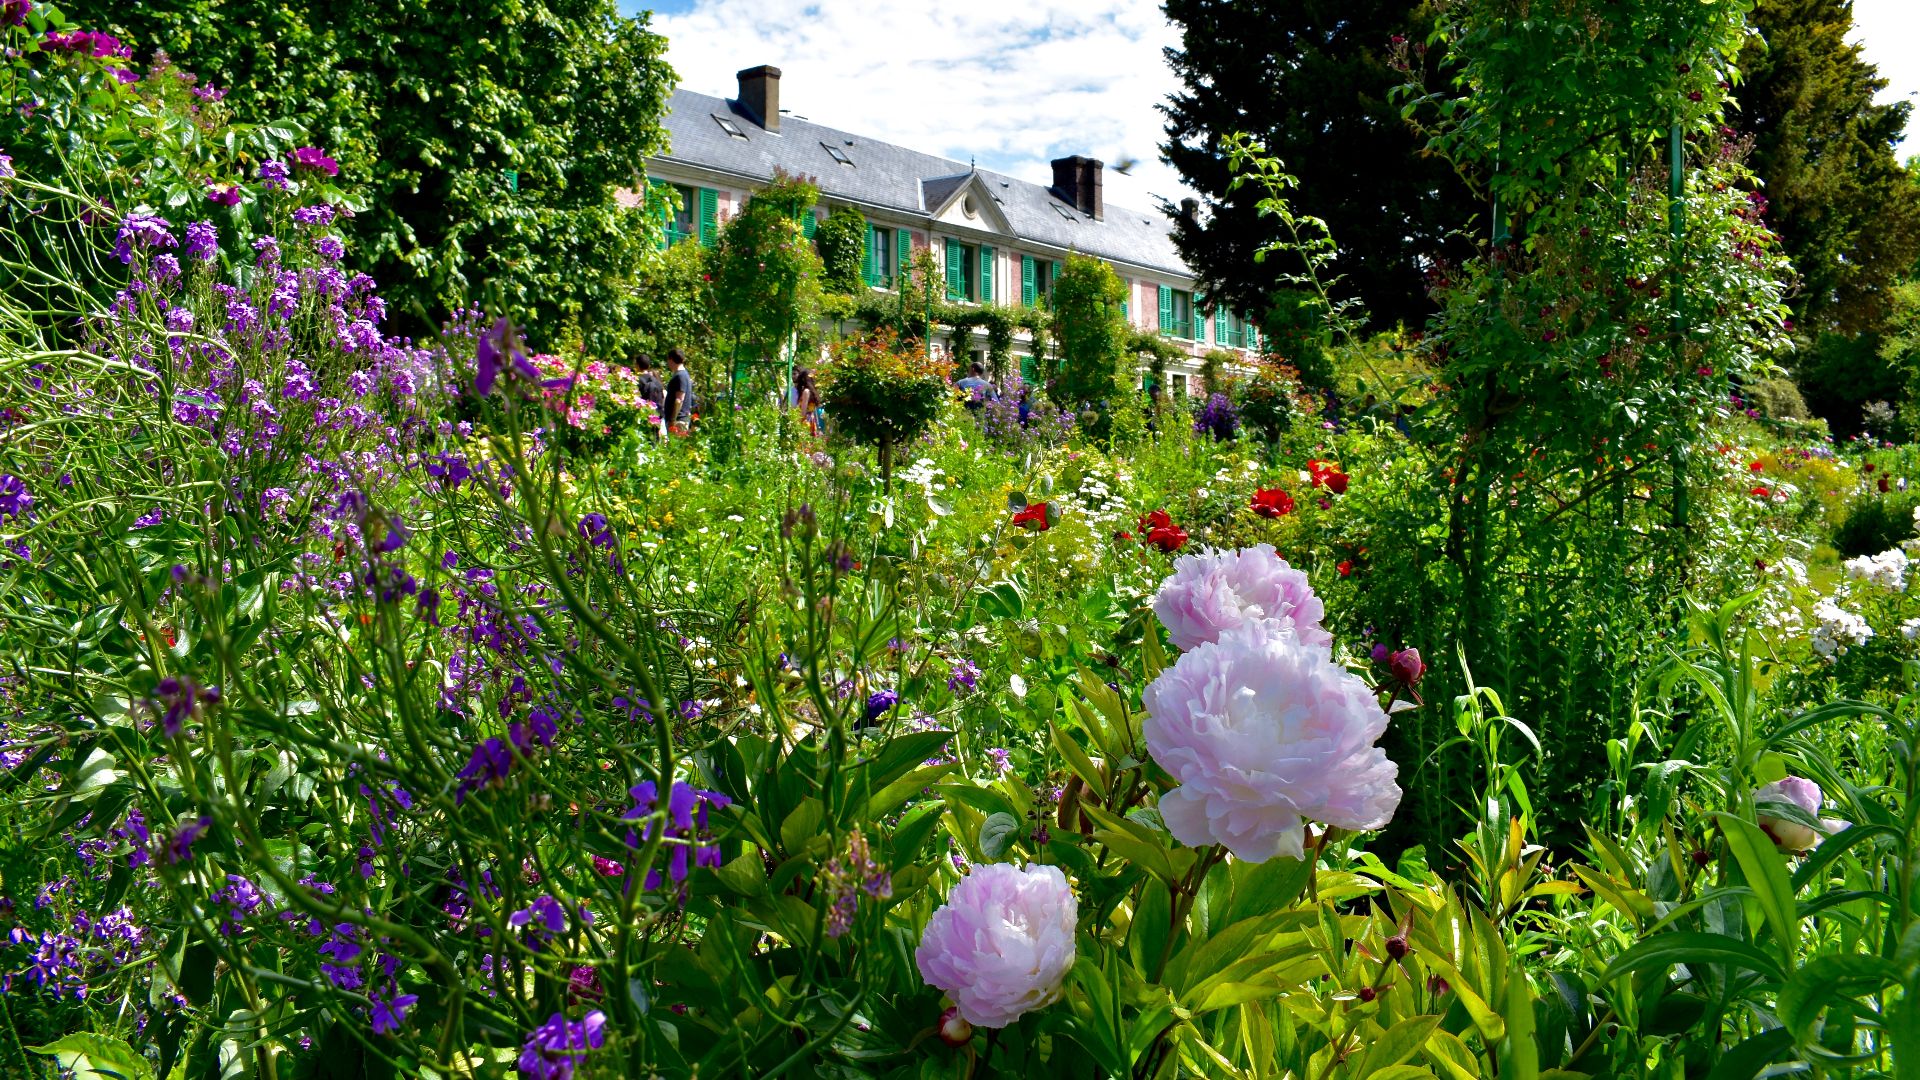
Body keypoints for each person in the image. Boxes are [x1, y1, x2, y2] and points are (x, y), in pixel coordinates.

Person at [662, 349, 694, 436]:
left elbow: (679, 400)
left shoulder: (681, 376)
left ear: (671, 359)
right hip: (678, 419)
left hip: (678, 420)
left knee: (675, 447)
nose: (667, 363)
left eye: (668, 360)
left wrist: (672, 419)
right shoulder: (681, 375)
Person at [634, 354, 665, 436]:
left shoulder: (637, 380)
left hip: (642, 416)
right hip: (656, 416)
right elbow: (662, 398)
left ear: (637, 365)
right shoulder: (657, 382)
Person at [791, 368, 821, 437]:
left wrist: (796, 423)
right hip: (811, 420)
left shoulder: (806, 392)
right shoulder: (812, 391)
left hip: (806, 421)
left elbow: (803, 412)